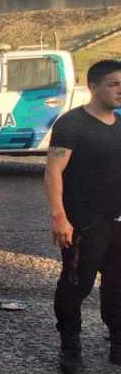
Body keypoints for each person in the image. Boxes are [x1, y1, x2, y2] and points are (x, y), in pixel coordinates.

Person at [46, 59, 121, 374]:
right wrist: (59, 217)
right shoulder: (71, 124)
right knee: (77, 284)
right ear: (93, 87)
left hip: (118, 222)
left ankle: (117, 342)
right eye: (113, 84)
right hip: (84, 224)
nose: (120, 90)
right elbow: (53, 171)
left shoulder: (120, 124)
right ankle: (70, 347)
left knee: (117, 285)